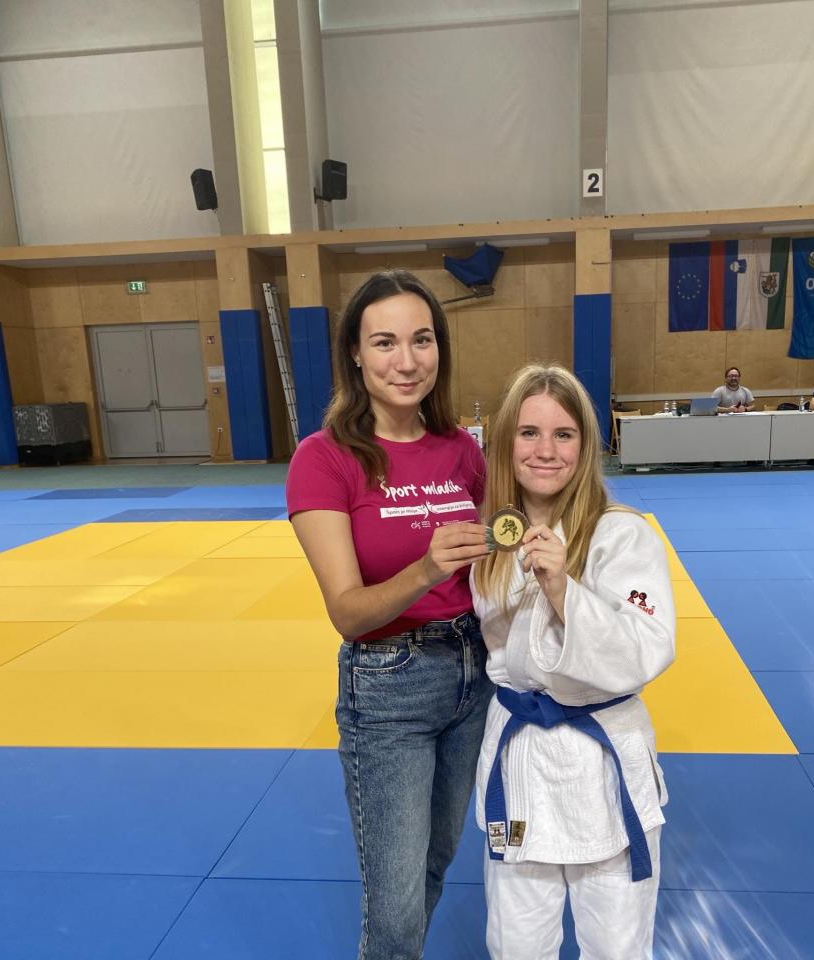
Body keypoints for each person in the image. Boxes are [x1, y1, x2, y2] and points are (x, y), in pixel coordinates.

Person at [286, 270, 494, 960]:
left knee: (435, 864)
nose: (407, 361)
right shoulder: (324, 459)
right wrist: (427, 568)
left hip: (474, 672)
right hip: (388, 683)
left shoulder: (461, 449)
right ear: (354, 352)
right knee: (395, 903)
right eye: (385, 343)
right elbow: (348, 613)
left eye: (422, 340)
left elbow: (492, 553)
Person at [471, 364, 676, 960]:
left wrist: (563, 589)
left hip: (601, 763)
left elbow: (647, 646)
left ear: (585, 446)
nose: (545, 450)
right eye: (528, 433)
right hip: (519, 761)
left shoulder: (621, 536)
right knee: (515, 942)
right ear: (505, 441)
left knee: (617, 945)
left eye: (563, 434)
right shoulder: (490, 540)